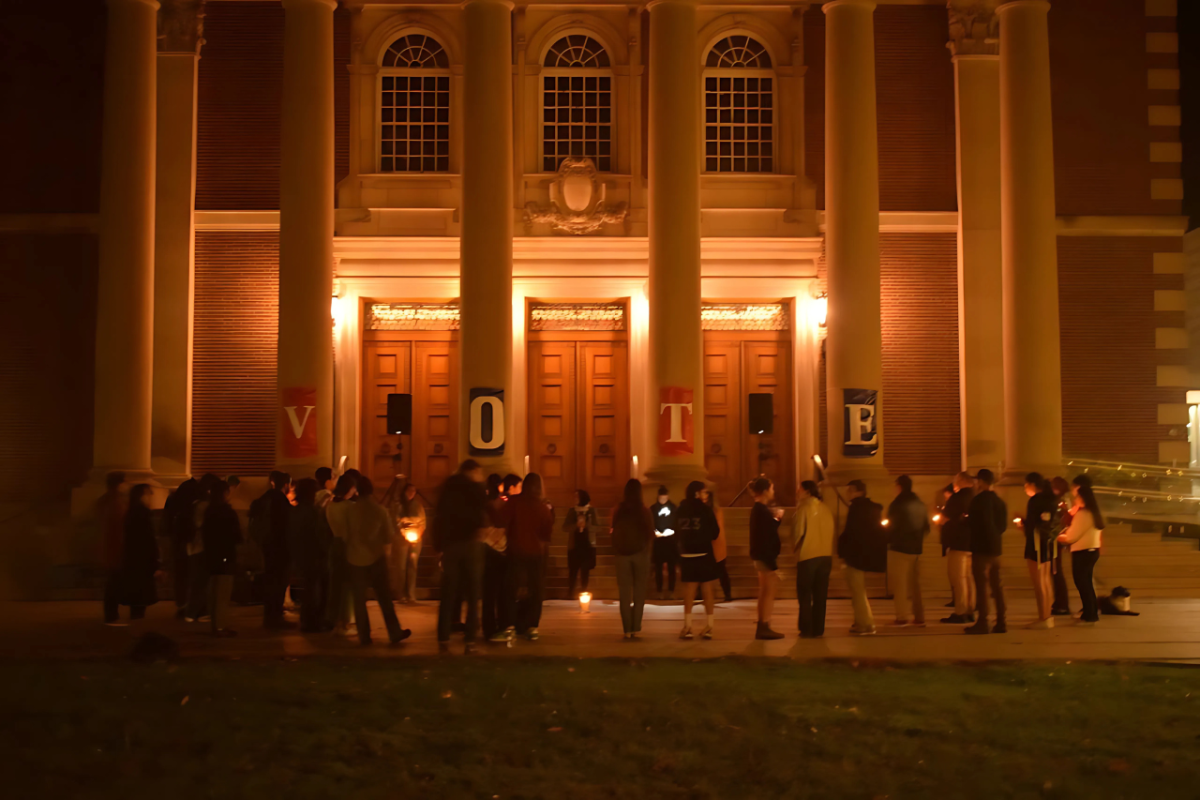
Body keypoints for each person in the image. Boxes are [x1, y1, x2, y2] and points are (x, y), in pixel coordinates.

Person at [333, 474, 410, 646]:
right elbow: (388, 537)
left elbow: (345, 535)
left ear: (358, 491)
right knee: (384, 598)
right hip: (376, 558)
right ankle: (394, 631)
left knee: (359, 600)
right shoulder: (380, 511)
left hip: (354, 558)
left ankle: (364, 636)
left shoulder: (350, 510)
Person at [431, 460, 490, 650]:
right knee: (472, 594)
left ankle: (443, 638)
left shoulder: (447, 488)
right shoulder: (475, 487)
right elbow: (485, 510)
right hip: (471, 543)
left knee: (448, 593)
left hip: (450, 546)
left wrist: (438, 546)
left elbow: (439, 517)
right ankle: (470, 640)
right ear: (472, 471)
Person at [498, 473, 555, 641]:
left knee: (510, 588)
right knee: (535, 589)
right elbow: (547, 533)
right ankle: (532, 626)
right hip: (536, 553)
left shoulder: (515, 503)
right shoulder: (542, 507)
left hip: (516, 550)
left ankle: (509, 625)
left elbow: (501, 520)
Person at [106, 484, 161, 625]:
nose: (150, 497)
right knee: (140, 595)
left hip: (133, 558)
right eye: (148, 493)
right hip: (141, 559)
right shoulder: (141, 513)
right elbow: (148, 538)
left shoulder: (130, 512)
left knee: (135, 594)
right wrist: (155, 560)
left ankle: (134, 617)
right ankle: (137, 620)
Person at [837, 480, 885, 635]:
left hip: (854, 555)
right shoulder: (872, 509)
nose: (847, 493)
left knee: (857, 592)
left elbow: (851, 532)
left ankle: (865, 625)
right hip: (866, 554)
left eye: (849, 490)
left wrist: (842, 551)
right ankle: (862, 621)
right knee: (859, 592)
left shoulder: (856, 509)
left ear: (858, 491)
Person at [965, 469, 1008, 635]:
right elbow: (1002, 526)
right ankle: (1001, 621)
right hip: (995, 548)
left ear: (981, 482)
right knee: (997, 586)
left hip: (981, 548)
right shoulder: (999, 501)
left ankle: (983, 621)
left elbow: (975, 523)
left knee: (981, 586)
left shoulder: (978, 501)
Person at [677, 481, 721, 640]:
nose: (706, 495)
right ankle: (709, 626)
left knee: (689, 590)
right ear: (697, 493)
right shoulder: (705, 510)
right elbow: (715, 532)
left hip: (687, 554)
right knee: (708, 590)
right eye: (704, 492)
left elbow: (676, 531)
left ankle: (687, 626)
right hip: (704, 553)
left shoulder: (680, 509)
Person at [611, 479, 654, 638]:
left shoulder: (619, 510)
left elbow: (613, 529)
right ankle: (635, 627)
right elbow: (650, 533)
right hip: (640, 553)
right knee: (639, 592)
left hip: (622, 554)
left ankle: (627, 630)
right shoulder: (644, 510)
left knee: (624, 593)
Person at [1058, 474, 1104, 626]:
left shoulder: (1083, 514)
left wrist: (1057, 537)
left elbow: (1071, 536)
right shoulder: (1093, 512)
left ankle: (1090, 614)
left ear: (1082, 498)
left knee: (1083, 584)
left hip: (1082, 552)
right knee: (1087, 583)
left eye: (1077, 497)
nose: (1075, 499)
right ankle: (1089, 612)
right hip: (1091, 550)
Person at [885, 475, 930, 628]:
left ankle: (902, 617)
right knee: (916, 586)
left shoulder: (897, 504)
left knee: (900, 585)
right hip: (916, 549)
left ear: (899, 486)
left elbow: (892, 525)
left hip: (899, 548)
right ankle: (919, 616)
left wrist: (888, 537)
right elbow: (926, 528)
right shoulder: (920, 504)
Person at [250, 471, 293, 629]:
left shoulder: (265, 498)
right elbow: (286, 525)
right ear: (286, 484)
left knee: (271, 581)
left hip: (267, 546)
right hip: (279, 547)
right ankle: (275, 618)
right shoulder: (280, 500)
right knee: (279, 582)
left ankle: (270, 617)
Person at [793, 480, 835, 638]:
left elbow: (799, 532)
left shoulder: (803, 508)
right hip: (825, 556)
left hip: (808, 556)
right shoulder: (826, 508)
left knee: (804, 594)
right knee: (820, 595)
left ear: (807, 491)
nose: (797, 491)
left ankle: (806, 628)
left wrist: (795, 550)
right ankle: (819, 628)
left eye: (800, 489)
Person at [201, 479, 242, 637]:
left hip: (211, 555)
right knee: (223, 592)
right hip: (226, 554)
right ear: (225, 493)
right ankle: (220, 626)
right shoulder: (227, 512)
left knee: (213, 590)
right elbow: (235, 535)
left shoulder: (209, 511)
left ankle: (215, 624)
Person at [289, 478, 329, 633]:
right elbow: (318, 536)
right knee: (313, 590)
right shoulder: (311, 512)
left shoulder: (295, 510)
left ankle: (307, 621)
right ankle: (312, 622)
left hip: (301, 555)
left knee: (309, 589)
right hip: (313, 555)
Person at [939, 472, 976, 624]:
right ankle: (970, 609)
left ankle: (960, 611)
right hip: (972, 543)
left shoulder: (957, 497)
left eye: (956, 481)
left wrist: (942, 521)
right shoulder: (975, 498)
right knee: (969, 578)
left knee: (958, 578)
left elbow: (946, 516)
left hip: (957, 543)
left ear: (961, 481)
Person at [184, 473, 221, 623]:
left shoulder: (195, 504)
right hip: (201, 548)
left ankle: (200, 612)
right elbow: (202, 526)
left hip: (193, 547)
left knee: (199, 581)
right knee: (201, 582)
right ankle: (192, 613)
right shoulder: (204, 506)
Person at [324, 472, 358, 635]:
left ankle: (334, 618)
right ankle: (346, 621)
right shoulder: (349, 507)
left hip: (334, 544)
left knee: (335, 584)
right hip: (347, 545)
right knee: (348, 585)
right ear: (350, 489)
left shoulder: (330, 505)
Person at [1023, 472, 1058, 629]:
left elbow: (1031, 526)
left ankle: (1043, 618)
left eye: (1026, 484)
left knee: (1039, 582)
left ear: (1032, 484)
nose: (1024, 487)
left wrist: (1021, 525)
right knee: (1046, 580)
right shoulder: (1051, 500)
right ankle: (1048, 615)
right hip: (1049, 543)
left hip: (1036, 543)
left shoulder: (1035, 501)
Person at [162, 477, 198, 619]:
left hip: (177, 542)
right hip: (189, 543)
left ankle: (182, 604)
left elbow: (167, 523)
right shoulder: (193, 505)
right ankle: (189, 605)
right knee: (190, 575)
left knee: (181, 575)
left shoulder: (175, 501)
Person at [97, 471, 128, 625]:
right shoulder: (116, 502)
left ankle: (111, 615)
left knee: (112, 583)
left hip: (108, 548)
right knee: (113, 584)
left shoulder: (104, 500)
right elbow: (118, 528)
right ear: (120, 484)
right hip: (115, 549)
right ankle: (112, 616)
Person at [389, 480, 426, 604]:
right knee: (401, 566)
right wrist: (403, 532)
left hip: (415, 539)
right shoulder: (398, 505)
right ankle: (401, 594)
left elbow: (423, 522)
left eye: (414, 491)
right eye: (409, 490)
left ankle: (411, 594)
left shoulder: (418, 506)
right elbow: (396, 521)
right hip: (402, 538)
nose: (411, 493)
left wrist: (418, 533)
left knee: (412, 566)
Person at [480, 474, 508, 640]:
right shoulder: (497, 505)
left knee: (488, 592)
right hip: (498, 550)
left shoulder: (482, 505)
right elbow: (502, 523)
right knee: (499, 592)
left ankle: (488, 627)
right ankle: (498, 625)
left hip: (485, 549)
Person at [564, 489, 598, 597]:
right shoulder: (572, 511)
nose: (575, 499)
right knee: (573, 571)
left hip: (587, 545)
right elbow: (565, 527)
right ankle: (570, 593)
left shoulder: (591, 511)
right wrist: (576, 525)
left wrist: (587, 525)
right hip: (574, 545)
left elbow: (597, 527)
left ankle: (583, 593)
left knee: (585, 571)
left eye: (577, 497)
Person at [1049, 476, 1074, 616]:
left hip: (1056, 539)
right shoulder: (1063, 501)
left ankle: (1062, 604)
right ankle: (1059, 603)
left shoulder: (1060, 503)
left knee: (1056, 571)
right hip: (1057, 539)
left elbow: (1061, 521)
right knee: (1055, 572)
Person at [649, 486, 679, 600]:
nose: (662, 499)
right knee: (658, 567)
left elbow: (677, 523)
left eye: (664, 497)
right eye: (661, 497)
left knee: (672, 567)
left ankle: (671, 590)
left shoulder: (673, 508)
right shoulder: (653, 508)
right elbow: (651, 523)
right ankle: (659, 590)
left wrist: (672, 531)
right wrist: (655, 531)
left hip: (671, 542)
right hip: (658, 542)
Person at [708, 489, 733, 603]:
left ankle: (727, 593)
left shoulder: (716, 511)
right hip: (712, 544)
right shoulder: (714, 510)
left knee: (721, 571)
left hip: (716, 543)